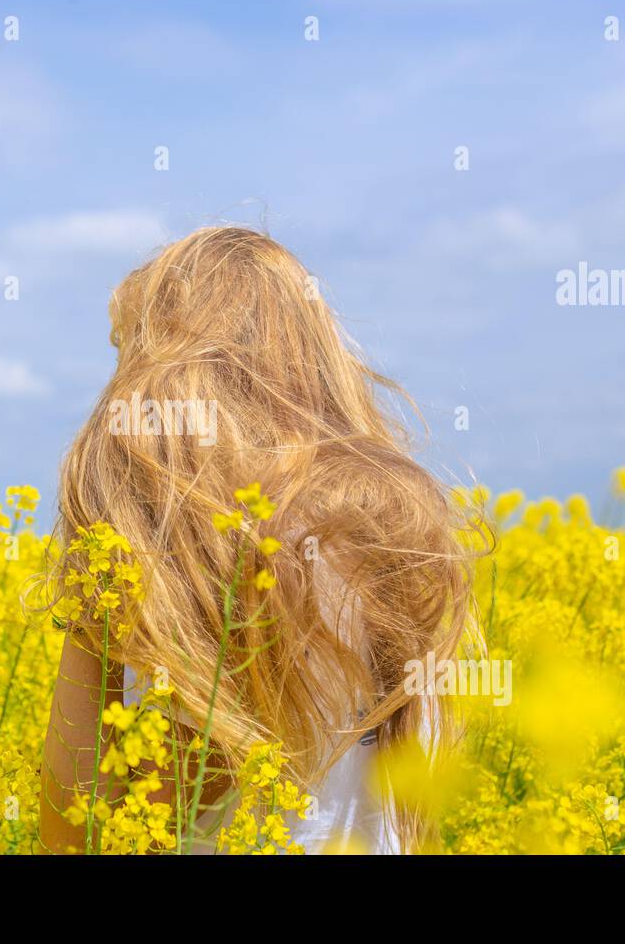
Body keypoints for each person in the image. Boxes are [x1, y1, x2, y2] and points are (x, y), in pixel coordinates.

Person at [39, 226, 477, 854]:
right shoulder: (400, 541)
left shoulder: (168, 550)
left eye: (126, 352)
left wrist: (93, 601)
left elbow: (76, 820)